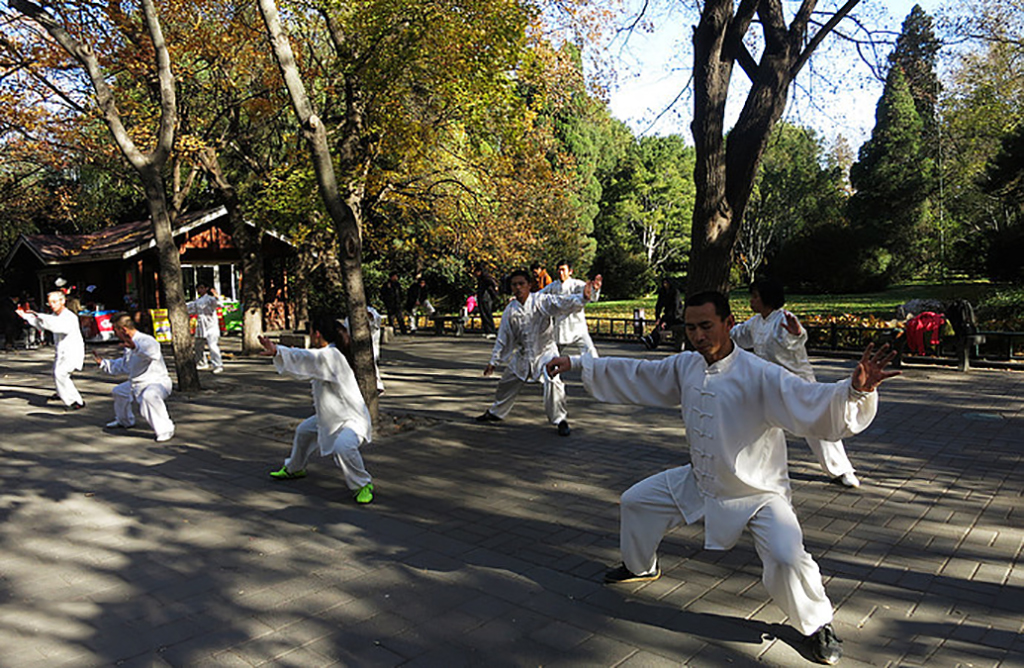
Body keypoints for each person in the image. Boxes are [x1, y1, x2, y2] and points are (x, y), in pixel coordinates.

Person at [545, 291, 899, 666]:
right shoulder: (686, 366)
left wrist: (856, 391)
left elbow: (809, 399)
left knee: (786, 558)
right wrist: (578, 363)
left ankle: (817, 626)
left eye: (706, 326)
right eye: (691, 327)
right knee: (637, 502)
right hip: (702, 479)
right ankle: (640, 566)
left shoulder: (760, 374)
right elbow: (638, 371)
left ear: (729, 324)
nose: (698, 335)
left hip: (759, 492)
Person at [731, 278, 861, 488]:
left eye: (755, 296)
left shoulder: (785, 319)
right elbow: (737, 337)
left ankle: (842, 470)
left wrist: (796, 334)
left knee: (815, 424)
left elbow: (796, 339)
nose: (751, 301)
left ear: (767, 298)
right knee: (748, 420)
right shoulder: (755, 322)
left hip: (798, 384)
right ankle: (741, 464)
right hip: (768, 385)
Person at [259, 315, 375, 504]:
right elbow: (309, 361)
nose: (310, 335)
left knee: (343, 447)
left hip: (351, 420)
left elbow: (308, 359)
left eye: (311, 332)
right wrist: (283, 353)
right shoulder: (328, 354)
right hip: (330, 416)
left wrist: (277, 351)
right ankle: (294, 468)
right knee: (304, 431)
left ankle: (362, 484)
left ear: (317, 334)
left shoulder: (331, 355)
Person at [477, 268, 602, 437]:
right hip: (523, 356)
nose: (518, 288)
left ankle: (560, 419)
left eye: (521, 284)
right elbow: (503, 337)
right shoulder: (510, 310)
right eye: (514, 285)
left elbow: (562, 302)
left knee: (554, 382)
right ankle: (496, 412)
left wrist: (583, 297)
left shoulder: (541, 301)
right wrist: (494, 361)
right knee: (506, 383)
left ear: (529, 285)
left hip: (546, 354)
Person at [94, 313, 175, 441]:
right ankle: (124, 421)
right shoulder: (129, 344)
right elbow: (126, 364)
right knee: (119, 392)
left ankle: (165, 429)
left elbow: (152, 354)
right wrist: (104, 363)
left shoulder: (146, 340)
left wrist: (136, 348)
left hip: (157, 382)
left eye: (115, 329)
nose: (115, 333)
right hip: (137, 383)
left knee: (149, 396)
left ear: (123, 330)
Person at [18, 290, 86, 409]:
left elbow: (55, 326)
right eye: (50, 303)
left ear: (63, 301)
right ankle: (61, 393)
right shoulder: (55, 316)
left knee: (61, 374)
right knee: (58, 372)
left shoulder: (69, 316)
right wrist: (26, 316)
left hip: (72, 351)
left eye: (55, 302)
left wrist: (39, 316)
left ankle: (76, 401)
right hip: (61, 350)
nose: (53, 305)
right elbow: (42, 325)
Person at [541, 259, 600, 357]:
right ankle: (549, 371)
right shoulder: (553, 286)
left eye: (563, 270)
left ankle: (597, 370)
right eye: (559, 270)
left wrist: (595, 290)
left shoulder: (576, 284)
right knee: (552, 356)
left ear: (570, 271)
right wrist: (523, 298)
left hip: (578, 326)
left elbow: (590, 295)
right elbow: (539, 295)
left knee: (591, 353)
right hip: (560, 327)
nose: (561, 273)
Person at [186, 283, 224, 374]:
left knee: (212, 346)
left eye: (202, 288)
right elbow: (190, 308)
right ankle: (201, 363)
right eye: (198, 288)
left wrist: (217, 296)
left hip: (211, 325)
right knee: (198, 346)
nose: (200, 290)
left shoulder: (210, 299)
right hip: (201, 325)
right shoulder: (197, 301)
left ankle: (218, 365)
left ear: (206, 288)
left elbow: (219, 304)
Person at [641, 277, 684, 350]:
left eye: (666, 283)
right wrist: (657, 316)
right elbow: (659, 305)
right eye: (664, 283)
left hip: (676, 315)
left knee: (664, 326)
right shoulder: (662, 292)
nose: (665, 285)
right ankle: (652, 339)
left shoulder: (675, 292)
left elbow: (675, 307)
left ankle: (653, 339)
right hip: (667, 314)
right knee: (660, 325)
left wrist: (666, 319)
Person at [473, 263, 500, 339]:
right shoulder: (481, 278)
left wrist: (495, 287)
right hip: (482, 297)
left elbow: (492, 281)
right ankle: (486, 330)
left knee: (487, 314)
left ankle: (491, 331)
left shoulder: (485, 277)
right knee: (483, 314)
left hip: (486, 298)